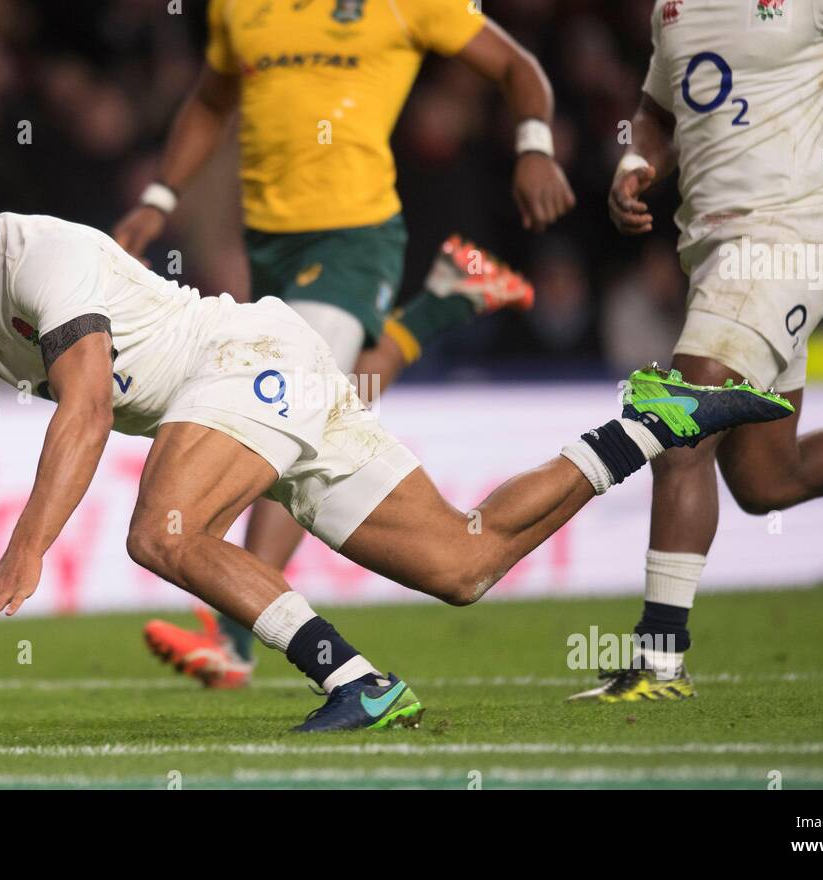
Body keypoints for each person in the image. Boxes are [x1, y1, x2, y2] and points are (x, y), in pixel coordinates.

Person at [0, 160, 791, 731]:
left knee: (164, 530)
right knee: (464, 562)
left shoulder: (41, 252)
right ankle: (649, 423)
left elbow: (87, 407)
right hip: (266, 382)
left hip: (241, 362)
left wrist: (28, 551)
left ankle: (359, 683)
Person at [112, 0, 575, 687]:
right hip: (268, 244)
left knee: (279, 415)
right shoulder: (237, 9)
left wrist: (535, 146)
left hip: (354, 238)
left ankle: (237, 637)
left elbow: (518, 65)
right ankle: (445, 301)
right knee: (334, 402)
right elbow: (211, 103)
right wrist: (158, 196)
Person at [581, 0, 823, 702]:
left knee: (680, 424)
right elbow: (660, 111)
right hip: (711, 254)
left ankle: (659, 662)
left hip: (783, 245)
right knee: (767, 482)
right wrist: (637, 161)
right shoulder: (674, 7)